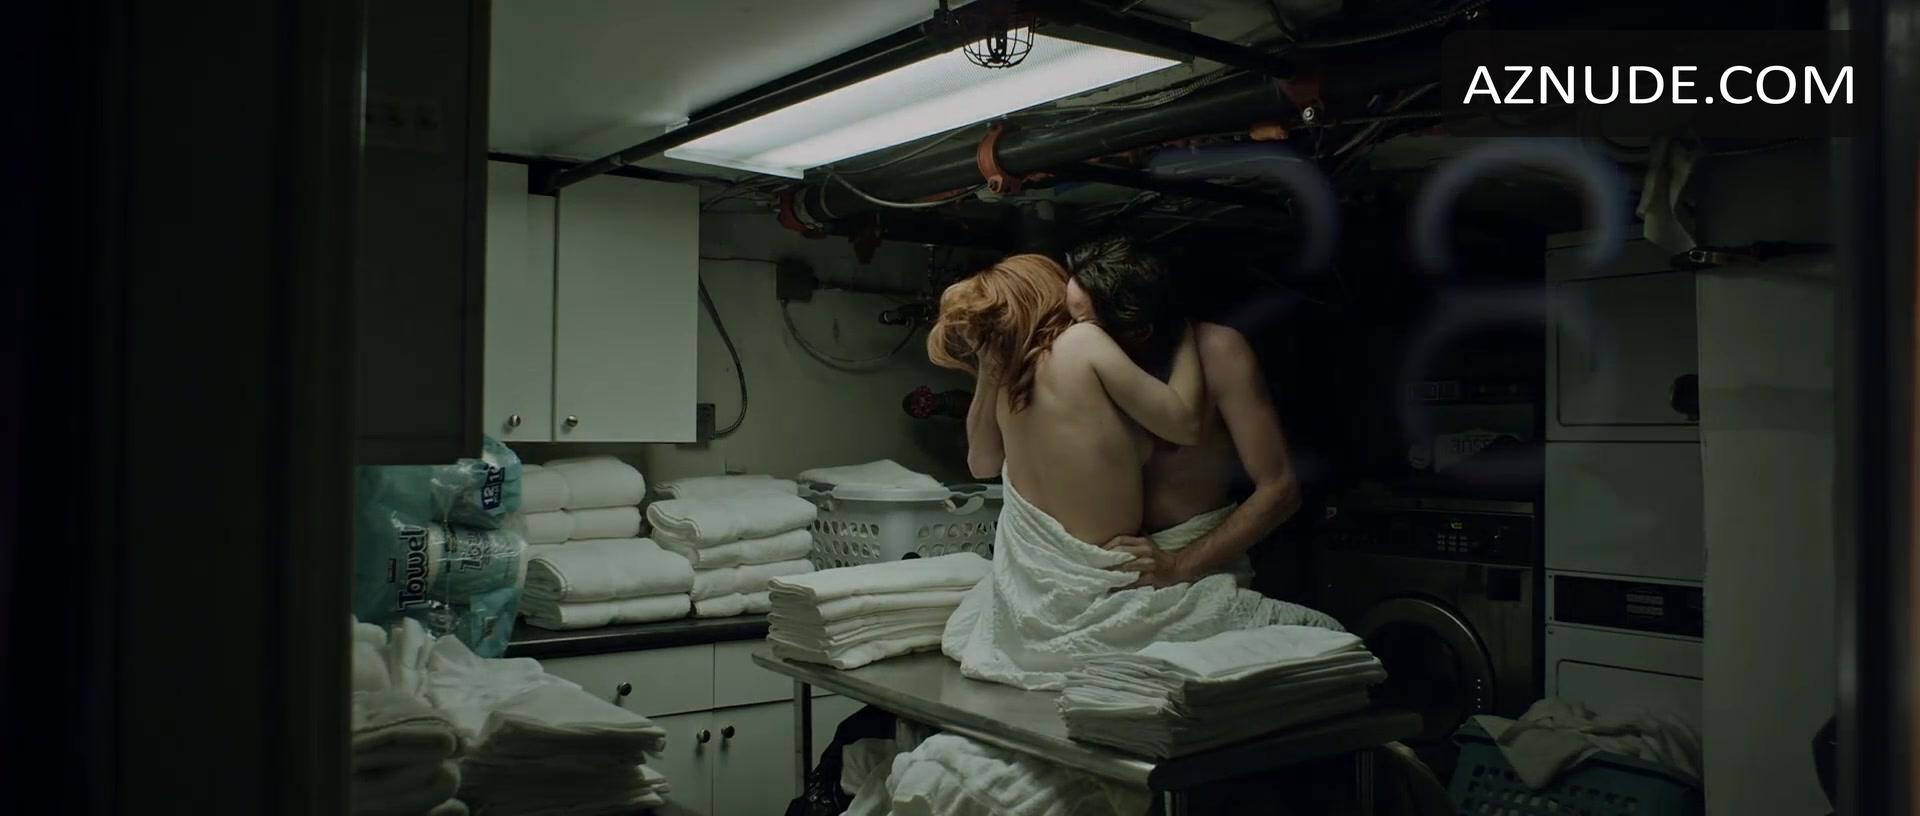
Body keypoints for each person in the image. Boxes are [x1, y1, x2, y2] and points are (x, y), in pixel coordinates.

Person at [1063, 236, 1303, 590]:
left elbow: (1280, 489)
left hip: (1195, 561)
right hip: (1105, 564)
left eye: (1085, 324)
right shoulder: (1076, 362)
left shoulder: (1219, 352)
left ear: (1137, 329)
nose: (1072, 335)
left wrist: (1179, 565)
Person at [926, 253, 1208, 545]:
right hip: (1092, 559)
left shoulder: (1013, 380)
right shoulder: (1080, 341)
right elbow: (1184, 426)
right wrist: (1183, 329)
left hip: (1038, 561)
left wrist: (990, 368)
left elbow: (982, 467)